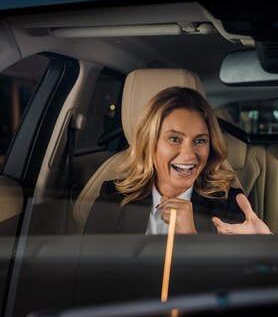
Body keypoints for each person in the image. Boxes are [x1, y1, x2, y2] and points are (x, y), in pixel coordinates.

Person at [84, 86, 265, 235]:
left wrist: (191, 238)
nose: (188, 154)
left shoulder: (229, 205)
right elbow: (88, 275)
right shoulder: (111, 200)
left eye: (200, 140)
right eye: (174, 139)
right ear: (150, 143)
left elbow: (234, 278)